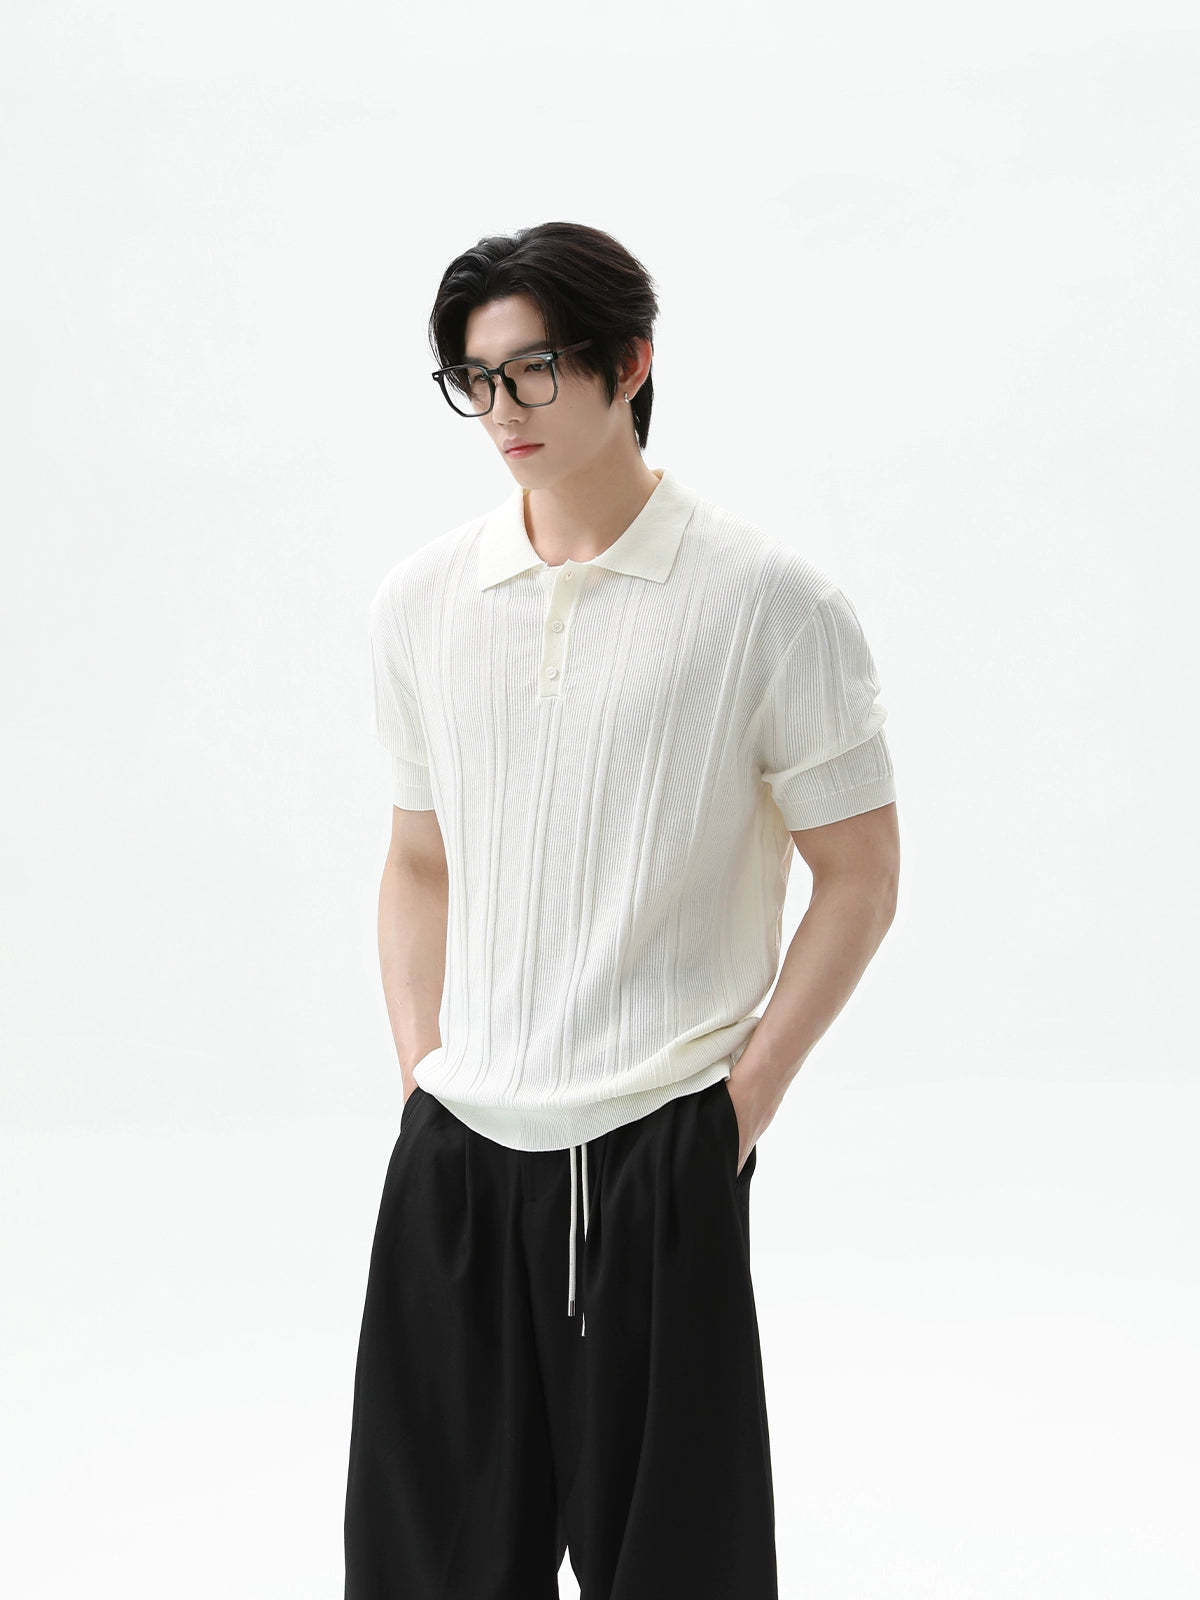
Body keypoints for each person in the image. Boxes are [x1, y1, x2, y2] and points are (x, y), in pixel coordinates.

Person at [343, 220, 900, 1599]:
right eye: (476, 380)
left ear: (630, 362)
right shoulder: (421, 603)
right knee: (426, 1569)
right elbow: (417, 862)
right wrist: (419, 1076)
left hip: (658, 1147)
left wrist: (734, 1110)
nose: (503, 409)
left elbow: (861, 874)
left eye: (534, 369)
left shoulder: (770, 605)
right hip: (458, 1152)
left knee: (677, 1569)